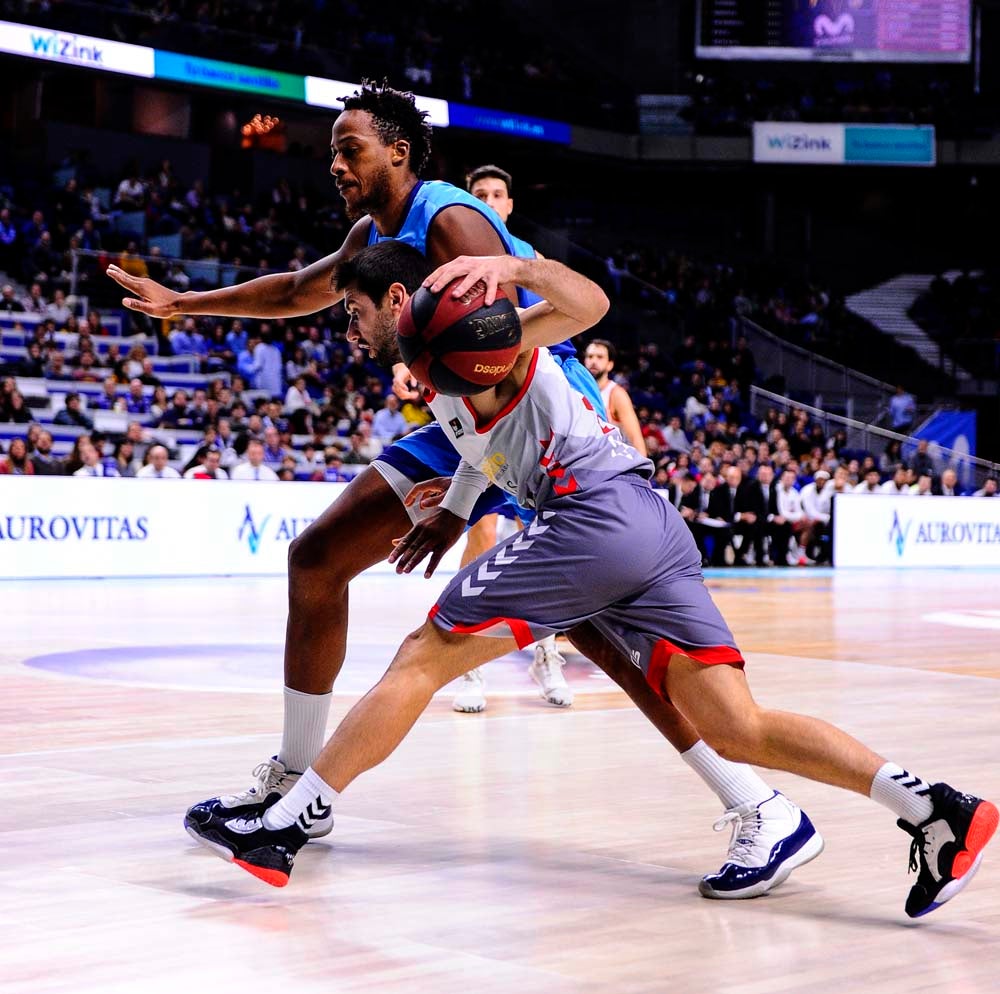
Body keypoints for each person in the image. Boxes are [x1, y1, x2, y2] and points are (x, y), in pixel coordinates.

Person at [109, 85, 799, 889]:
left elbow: (498, 349)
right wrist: (188, 304)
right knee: (318, 558)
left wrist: (468, 494)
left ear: (398, 151)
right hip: (463, 422)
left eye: (350, 147)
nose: (335, 162)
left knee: (602, 636)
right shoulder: (377, 231)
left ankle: (755, 801)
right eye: (332, 149)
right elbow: (303, 289)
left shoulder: (449, 219)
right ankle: (301, 787)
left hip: (532, 424)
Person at [186, 246, 996, 918]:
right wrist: (451, 513)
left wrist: (509, 265)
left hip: (592, 516)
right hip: (647, 528)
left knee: (419, 657)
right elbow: (477, 450)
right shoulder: (440, 380)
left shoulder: (484, 336)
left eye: (353, 313)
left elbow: (589, 306)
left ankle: (283, 828)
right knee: (737, 726)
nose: (348, 328)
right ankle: (936, 811)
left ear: (397, 301)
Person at [583, 339, 646, 454]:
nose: (594, 361)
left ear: (610, 365)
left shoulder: (616, 394)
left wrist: (644, 471)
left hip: (611, 462)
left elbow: (635, 439)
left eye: (600, 357)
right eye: (590, 356)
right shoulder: (577, 390)